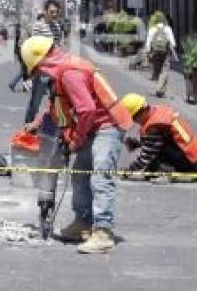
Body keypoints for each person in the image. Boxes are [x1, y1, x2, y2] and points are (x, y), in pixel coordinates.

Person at [21, 36, 133, 254]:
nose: (38, 77)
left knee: (100, 176)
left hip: (107, 125)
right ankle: (83, 222)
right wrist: (38, 122)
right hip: (92, 126)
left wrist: (76, 140)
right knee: (80, 174)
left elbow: (87, 110)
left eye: (35, 71)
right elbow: (59, 105)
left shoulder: (68, 72)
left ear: (42, 62)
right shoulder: (62, 71)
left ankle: (103, 232)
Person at [120, 94, 197, 181]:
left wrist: (129, 171)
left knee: (151, 168)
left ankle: (168, 171)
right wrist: (138, 144)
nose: (134, 122)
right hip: (190, 157)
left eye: (133, 118)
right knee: (150, 169)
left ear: (140, 112)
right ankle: (169, 169)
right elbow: (158, 141)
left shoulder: (154, 127)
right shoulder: (158, 111)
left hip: (186, 162)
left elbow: (146, 157)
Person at [144, 12, 177, 98]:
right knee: (165, 71)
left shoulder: (152, 29)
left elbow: (148, 43)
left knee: (157, 70)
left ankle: (161, 91)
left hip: (155, 53)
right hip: (165, 54)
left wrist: (147, 52)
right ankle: (160, 89)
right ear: (164, 20)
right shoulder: (167, 29)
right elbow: (173, 43)